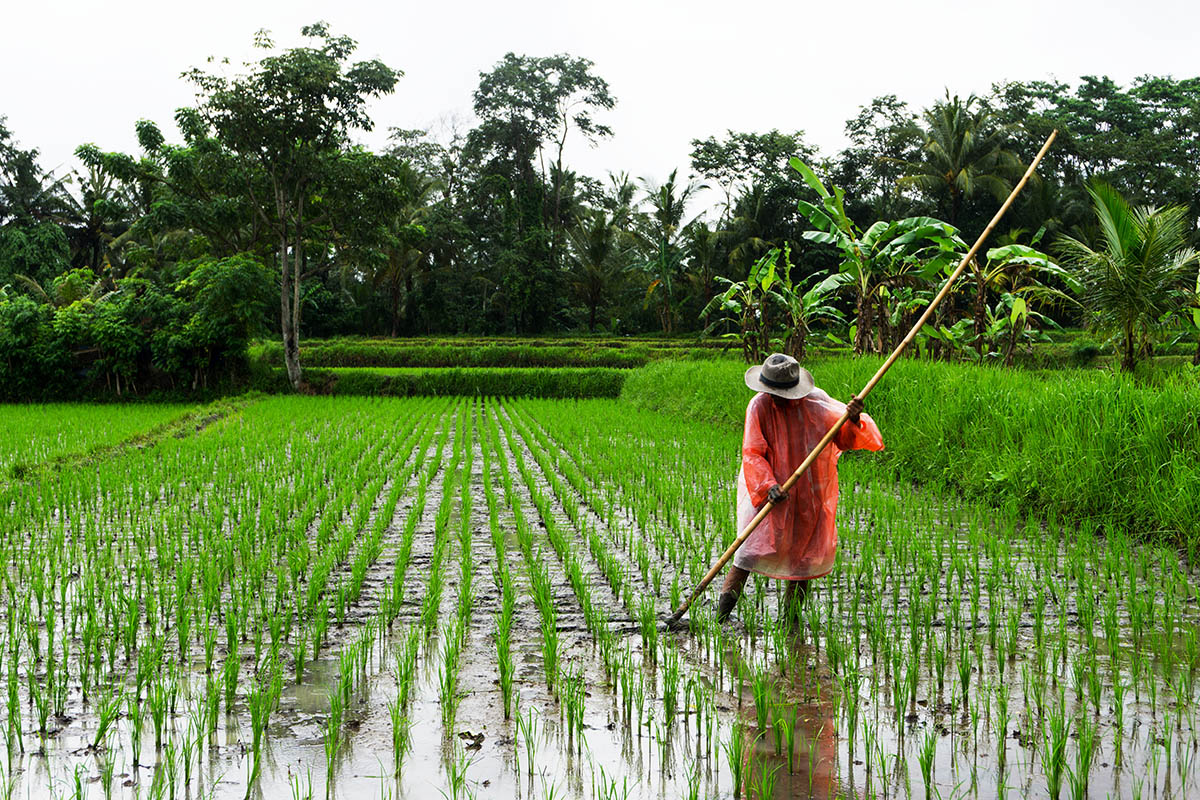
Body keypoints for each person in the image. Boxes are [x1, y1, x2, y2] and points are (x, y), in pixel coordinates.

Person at [717, 352, 884, 625]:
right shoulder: (758, 406)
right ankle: (720, 619)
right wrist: (768, 485)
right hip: (768, 490)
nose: (774, 398)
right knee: (746, 553)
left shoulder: (817, 403)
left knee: (803, 560)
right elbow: (753, 452)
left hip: (809, 491)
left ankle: (791, 621)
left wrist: (853, 419)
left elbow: (844, 439)